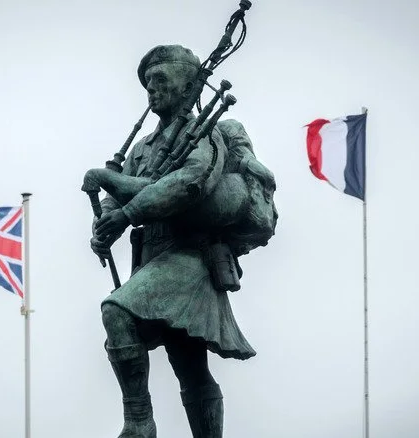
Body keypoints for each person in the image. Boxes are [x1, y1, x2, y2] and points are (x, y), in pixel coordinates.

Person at [91, 44, 255, 438]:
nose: (151, 89)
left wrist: (123, 208)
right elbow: (121, 193)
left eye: (160, 80)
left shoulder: (203, 134)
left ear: (188, 87)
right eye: (148, 82)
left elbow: (189, 184)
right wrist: (103, 225)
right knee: (188, 359)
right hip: (152, 253)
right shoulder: (143, 148)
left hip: (191, 254)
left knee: (117, 311)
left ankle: (138, 423)